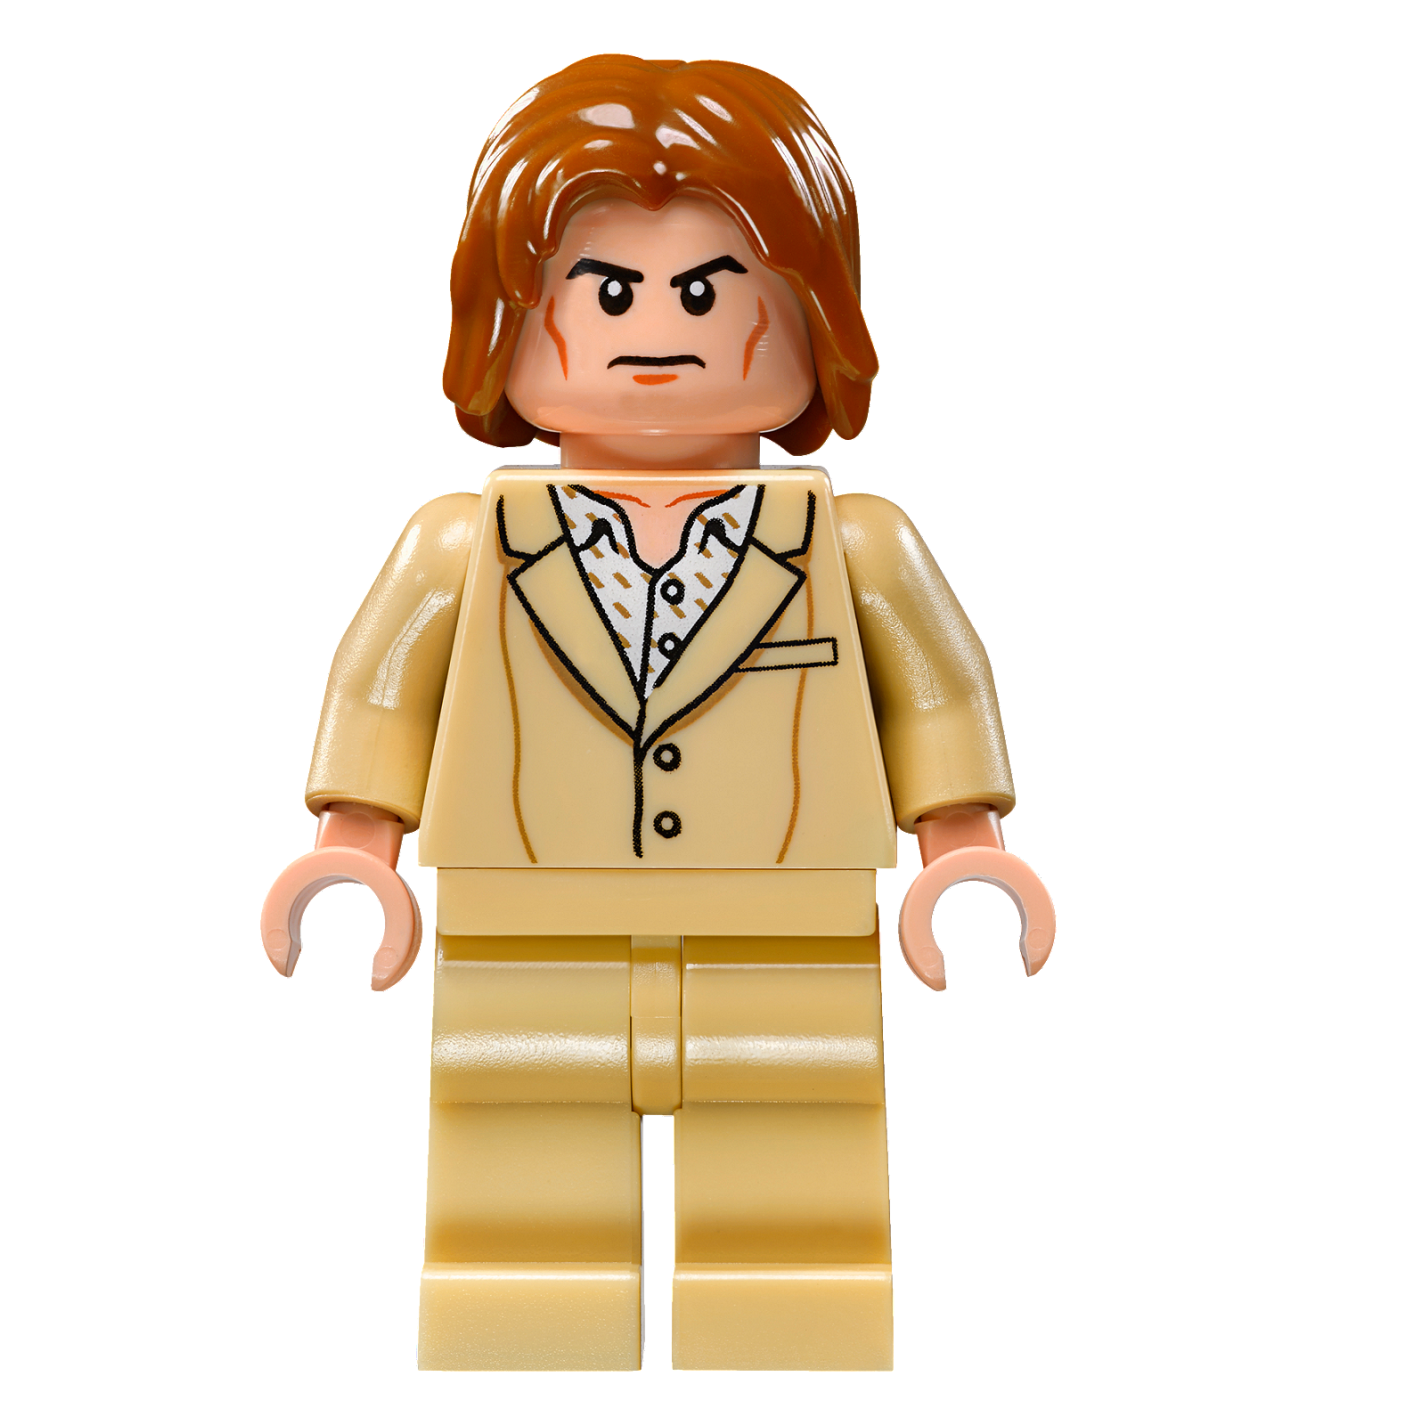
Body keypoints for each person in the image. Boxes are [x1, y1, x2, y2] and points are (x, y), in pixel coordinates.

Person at [261, 54, 1053, 1371]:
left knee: (796, 1194)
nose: (655, 329)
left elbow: (937, 692)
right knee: (516, 1192)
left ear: (812, 318)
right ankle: (526, 1340)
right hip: (524, 922)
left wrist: (962, 851)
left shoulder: (854, 543)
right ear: (508, 324)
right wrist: (354, 849)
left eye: (706, 291)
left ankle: (791, 1345)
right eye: (608, 290)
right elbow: (380, 689)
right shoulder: (462, 542)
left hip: (789, 926)